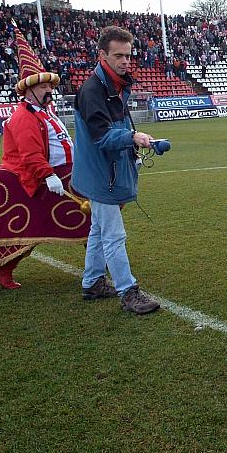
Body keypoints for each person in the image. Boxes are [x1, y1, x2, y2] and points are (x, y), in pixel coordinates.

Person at [0, 23, 90, 290]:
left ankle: (99, 254)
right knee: (32, 228)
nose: (49, 89)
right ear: (29, 90)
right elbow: (31, 154)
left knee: (93, 213)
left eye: (48, 85)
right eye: (43, 86)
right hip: (42, 178)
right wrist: (48, 175)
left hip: (65, 172)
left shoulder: (46, 111)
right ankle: (3, 268)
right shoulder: (23, 117)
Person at [71, 25, 160, 315]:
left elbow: (116, 128)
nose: (125, 62)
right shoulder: (92, 90)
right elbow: (102, 137)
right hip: (101, 174)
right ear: (102, 55)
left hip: (104, 172)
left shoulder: (115, 84)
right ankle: (128, 291)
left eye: (128, 56)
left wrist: (136, 137)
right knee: (113, 235)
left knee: (99, 231)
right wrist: (132, 138)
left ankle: (92, 282)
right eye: (119, 56)